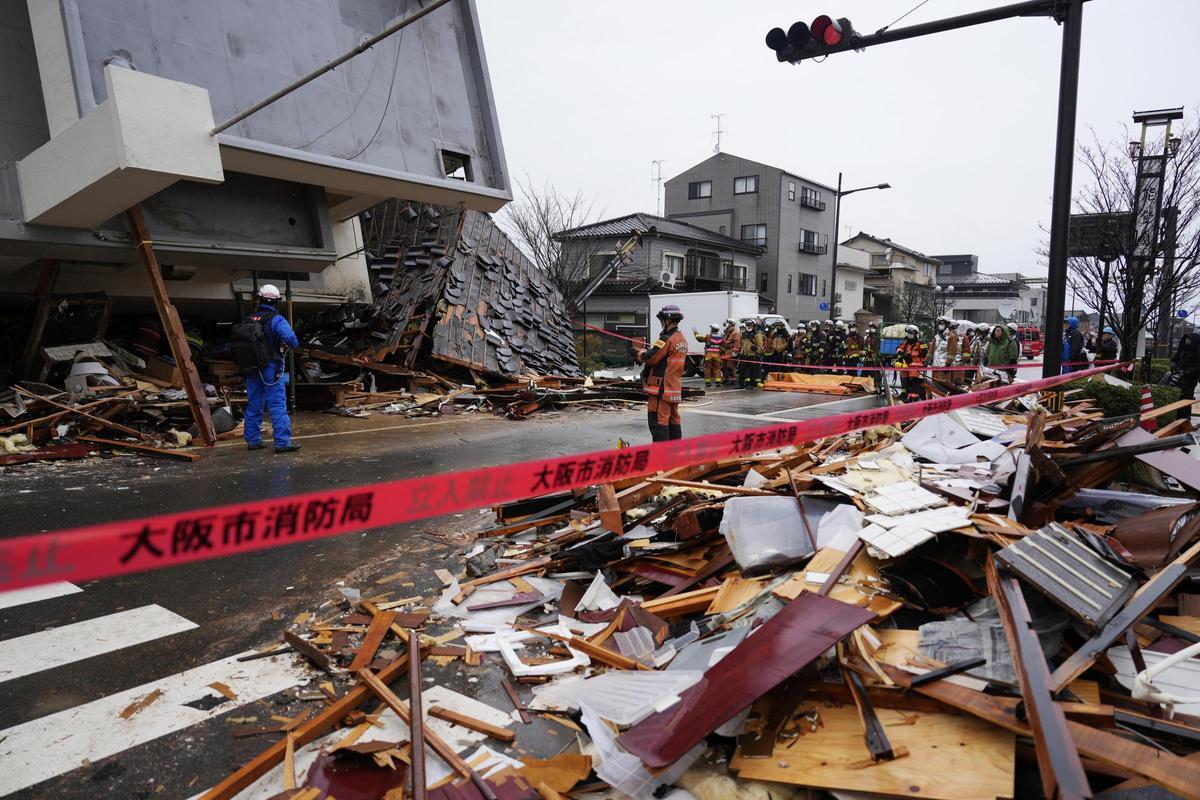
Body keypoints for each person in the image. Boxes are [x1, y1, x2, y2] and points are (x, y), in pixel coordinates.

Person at [241, 284, 301, 453]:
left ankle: (253, 440)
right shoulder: (276, 319)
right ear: (276, 301)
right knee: (277, 404)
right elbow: (291, 339)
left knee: (254, 404)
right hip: (270, 367)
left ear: (259, 299)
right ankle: (282, 442)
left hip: (252, 368)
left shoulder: (248, 319)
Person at [635, 305, 689, 441]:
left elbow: (650, 357)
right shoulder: (682, 339)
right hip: (674, 389)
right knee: (673, 421)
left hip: (660, 389)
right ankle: (674, 454)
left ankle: (661, 457)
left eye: (662, 320)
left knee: (658, 421)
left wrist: (637, 353)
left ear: (668, 320)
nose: (661, 323)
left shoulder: (666, 339)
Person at [893, 324, 927, 402]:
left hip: (916, 368)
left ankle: (914, 398)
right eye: (908, 333)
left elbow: (925, 356)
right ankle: (905, 394)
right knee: (904, 379)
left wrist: (913, 358)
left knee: (914, 383)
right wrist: (901, 353)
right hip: (907, 366)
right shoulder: (906, 341)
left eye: (911, 333)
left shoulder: (921, 343)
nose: (909, 335)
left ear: (915, 334)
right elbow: (898, 348)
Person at [694, 324, 724, 388]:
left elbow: (699, 339)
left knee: (707, 369)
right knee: (717, 368)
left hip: (709, 355)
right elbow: (725, 345)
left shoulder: (708, 336)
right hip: (717, 355)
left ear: (712, 329)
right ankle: (718, 382)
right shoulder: (721, 336)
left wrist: (695, 332)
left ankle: (708, 382)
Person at [1172, 332, 1200, 402]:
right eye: (1186, 338)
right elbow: (1175, 359)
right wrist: (1174, 366)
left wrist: (1188, 372)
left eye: (1189, 339)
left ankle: (1185, 411)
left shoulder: (1197, 352)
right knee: (1178, 397)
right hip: (1179, 378)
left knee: (1187, 397)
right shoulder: (1182, 349)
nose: (1187, 340)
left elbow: (1198, 367)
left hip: (1191, 379)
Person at [737, 321, 759, 389]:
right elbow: (742, 344)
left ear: (754, 326)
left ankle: (751, 385)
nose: (749, 327)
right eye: (748, 325)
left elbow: (760, 346)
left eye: (750, 325)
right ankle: (741, 384)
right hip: (744, 355)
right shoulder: (744, 334)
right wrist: (741, 353)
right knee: (742, 370)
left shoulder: (757, 334)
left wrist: (756, 349)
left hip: (752, 355)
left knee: (751, 371)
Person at [720, 319, 740, 386]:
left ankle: (732, 379)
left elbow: (737, 342)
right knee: (723, 367)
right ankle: (726, 379)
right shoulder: (726, 332)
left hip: (731, 351)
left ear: (731, 324)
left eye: (727, 323)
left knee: (730, 367)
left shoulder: (735, 333)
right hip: (725, 352)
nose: (726, 324)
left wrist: (735, 351)